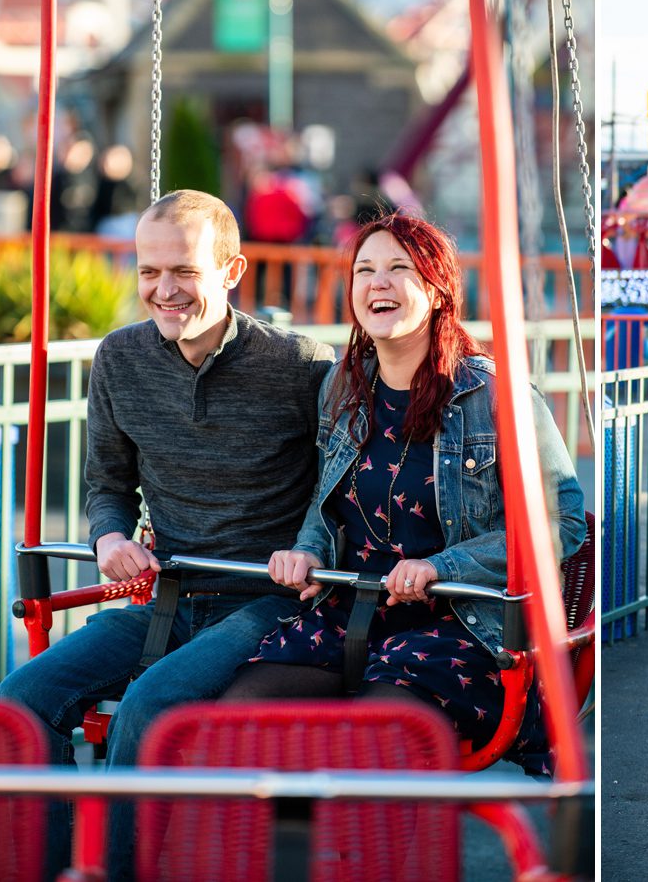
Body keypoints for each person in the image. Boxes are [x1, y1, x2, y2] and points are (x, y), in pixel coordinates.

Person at [0, 189, 336, 878]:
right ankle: (55, 863)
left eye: (183, 270)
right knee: (20, 699)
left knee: (149, 704)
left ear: (231, 271)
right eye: (149, 271)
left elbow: (336, 484)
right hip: (169, 594)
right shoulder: (120, 359)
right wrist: (110, 539)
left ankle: (119, 870)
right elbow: (108, 483)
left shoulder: (300, 363)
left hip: (263, 600)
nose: (163, 289)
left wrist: (306, 549)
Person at [223, 213, 586, 773]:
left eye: (399, 268)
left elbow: (562, 522)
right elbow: (328, 501)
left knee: (372, 736)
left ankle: (372, 859)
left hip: (458, 625)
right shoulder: (342, 387)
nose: (378, 283)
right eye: (365, 270)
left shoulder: (495, 398)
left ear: (437, 289)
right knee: (242, 715)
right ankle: (287, 855)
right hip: (353, 612)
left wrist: (445, 566)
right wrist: (308, 552)